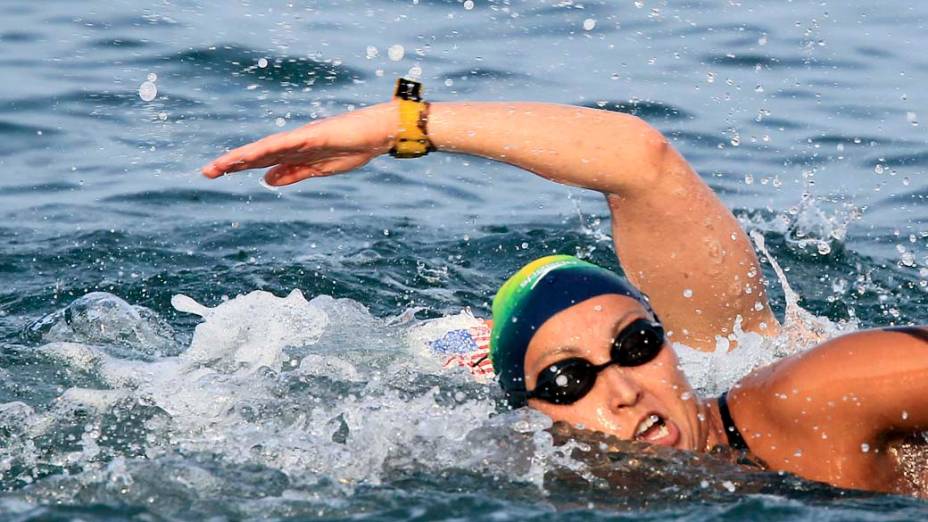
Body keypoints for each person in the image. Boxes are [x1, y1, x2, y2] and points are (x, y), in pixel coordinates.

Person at [201, 79, 928, 496]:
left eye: (638, 344)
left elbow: (640, 161)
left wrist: (403, 123)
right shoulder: (519, 471)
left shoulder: (803, 402)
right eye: (568, 378)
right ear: (531, 418)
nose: (624, 391)